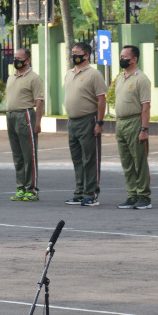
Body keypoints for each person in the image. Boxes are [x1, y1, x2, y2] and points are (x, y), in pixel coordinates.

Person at [63, 41, 107, 206]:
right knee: (77, 158)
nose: (73, 55)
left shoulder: (94, 74)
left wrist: (100, 122)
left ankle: (91, 194)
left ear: (86, 55)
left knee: (90, 158)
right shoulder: (69, 73)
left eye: (77, 52)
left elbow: (101, 99)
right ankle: (79, 192)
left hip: (88, 120)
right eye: (72, 52)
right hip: (72, 122)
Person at [112, 44, 152, 210]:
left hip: (135, 122)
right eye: (121, 56)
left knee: (139, 161)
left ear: (134, 59)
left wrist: (144, 129)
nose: (122, 59)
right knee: (126, 161)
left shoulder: (141, 79)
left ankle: (143, 196)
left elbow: (146, 106)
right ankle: (132, 194)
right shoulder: (120, 77)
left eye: (125, 56)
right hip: (121, 123)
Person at [6, 47, 44, 202]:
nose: (16, 61)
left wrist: (38, 123)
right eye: (15, 58)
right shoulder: (12, 77)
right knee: (18, 155)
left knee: (29, 154)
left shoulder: (34, 78)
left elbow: (39, 102)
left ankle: (31, 189)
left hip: (26, 115)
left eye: (19, 58)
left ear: (27, 60)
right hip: (11, 116)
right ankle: (21, 188)